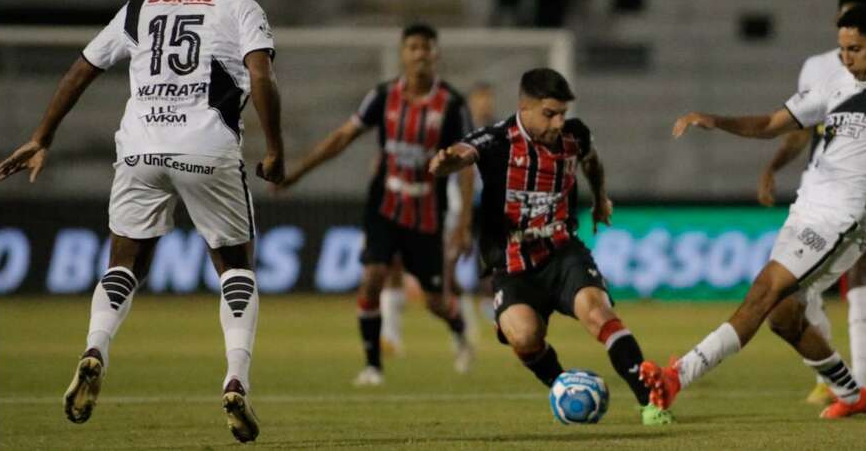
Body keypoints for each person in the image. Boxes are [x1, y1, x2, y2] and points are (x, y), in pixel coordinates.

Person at [0, 0, 283, 443]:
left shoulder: (139, 6)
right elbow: (261, 77)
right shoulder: (241, 7)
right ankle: (235, 380)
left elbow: (82, 68)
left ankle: (94, 349)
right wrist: (277, 149)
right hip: (207, 147)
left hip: (141, 147)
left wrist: (43, 135)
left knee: (125, 261)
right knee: (235, 267)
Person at [658, 5, 866, 419]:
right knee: (783, 317)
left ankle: (678, 376)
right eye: (842, 49)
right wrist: (714, 119)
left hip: (843, 220)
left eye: (855, 49)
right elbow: (771, 122)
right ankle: (853, 397)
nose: (846, 57)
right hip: (805, 209)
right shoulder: (834, 83)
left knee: (764, 291)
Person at [429, 68, 676, 425]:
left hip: (562, 252)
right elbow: (463, 154)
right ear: (524, 108)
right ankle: (563, 388)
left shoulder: (575, 136)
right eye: (550, 114)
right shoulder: (496, 139)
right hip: (512, 265)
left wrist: (600, 198)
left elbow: (591, 161)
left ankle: (650, 402)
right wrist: (445, 163)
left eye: (563, 113)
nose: (559, 122)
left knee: (597, 312)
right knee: (525, 336)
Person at [276, 24, 476, 384]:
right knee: (371, 279)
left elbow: (466, 164)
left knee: (435, 301)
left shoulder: (452, 104)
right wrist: (297, 172)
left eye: (426, 47)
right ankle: (372, 366)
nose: (419, 54)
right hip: (384, 204)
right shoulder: (382, 97)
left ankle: (460, 332)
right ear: (402, 53)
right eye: (412, 47)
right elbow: (343, 137)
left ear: (437, 54)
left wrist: (463, 226)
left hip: (427, 213)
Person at [756, 0, 866, 405]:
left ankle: (855, 380)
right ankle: (835, 377)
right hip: (819, 188)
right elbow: (800, 127)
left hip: (864, 191)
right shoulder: (817, 68)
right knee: (799, 289)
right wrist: (774, 166)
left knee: (858, 274)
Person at [380, 82, 498, 355]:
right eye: (480, 100)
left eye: (487, 101)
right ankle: (398, 336)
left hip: (486, 206)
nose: (484, 106)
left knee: (456, 272)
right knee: (438, 272)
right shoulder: (451, 131)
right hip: (448, 209)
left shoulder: (497, 132)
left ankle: (473, 321)